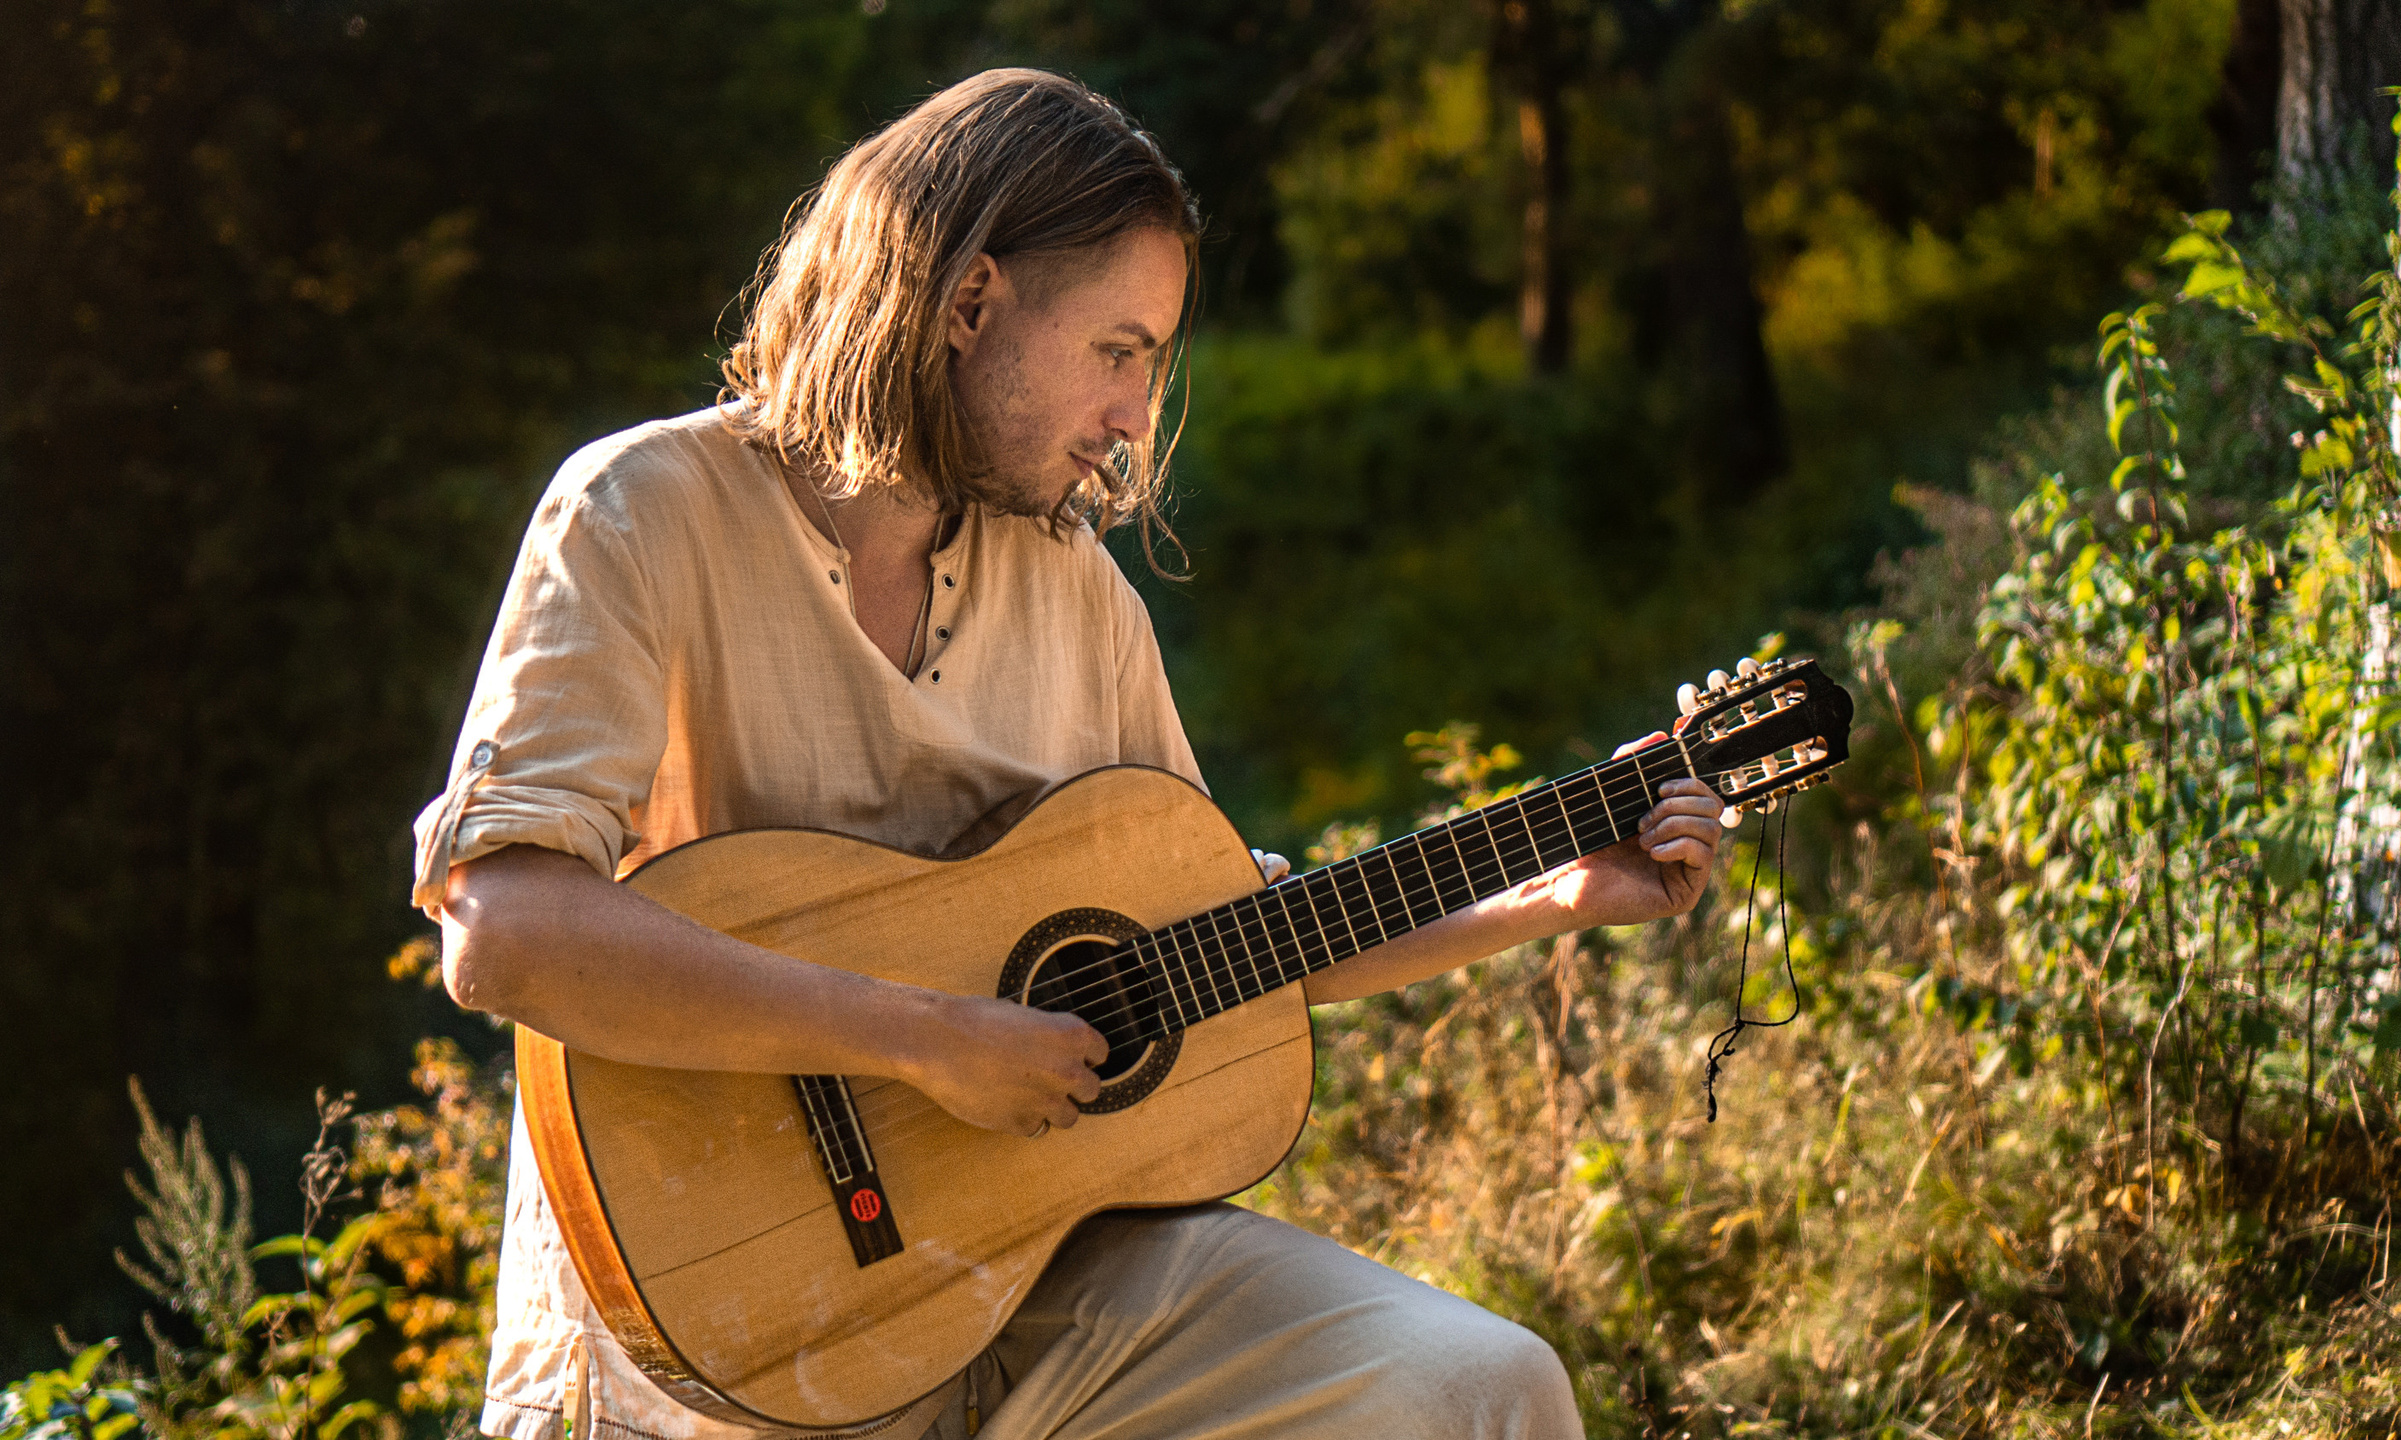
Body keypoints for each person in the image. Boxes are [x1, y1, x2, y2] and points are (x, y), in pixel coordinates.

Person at [415, 68, 1727, 1440]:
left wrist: (1558, 894)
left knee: (1486, 1389)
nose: (1134, 418)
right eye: (1119, 350)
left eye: (1150, 364)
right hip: (722, 1339)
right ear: (970, 302)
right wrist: (924, 1039)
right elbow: (506, 931)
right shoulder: (642, 513)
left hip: (1038, 1289)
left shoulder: (1073, 589)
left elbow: (1231, 943)